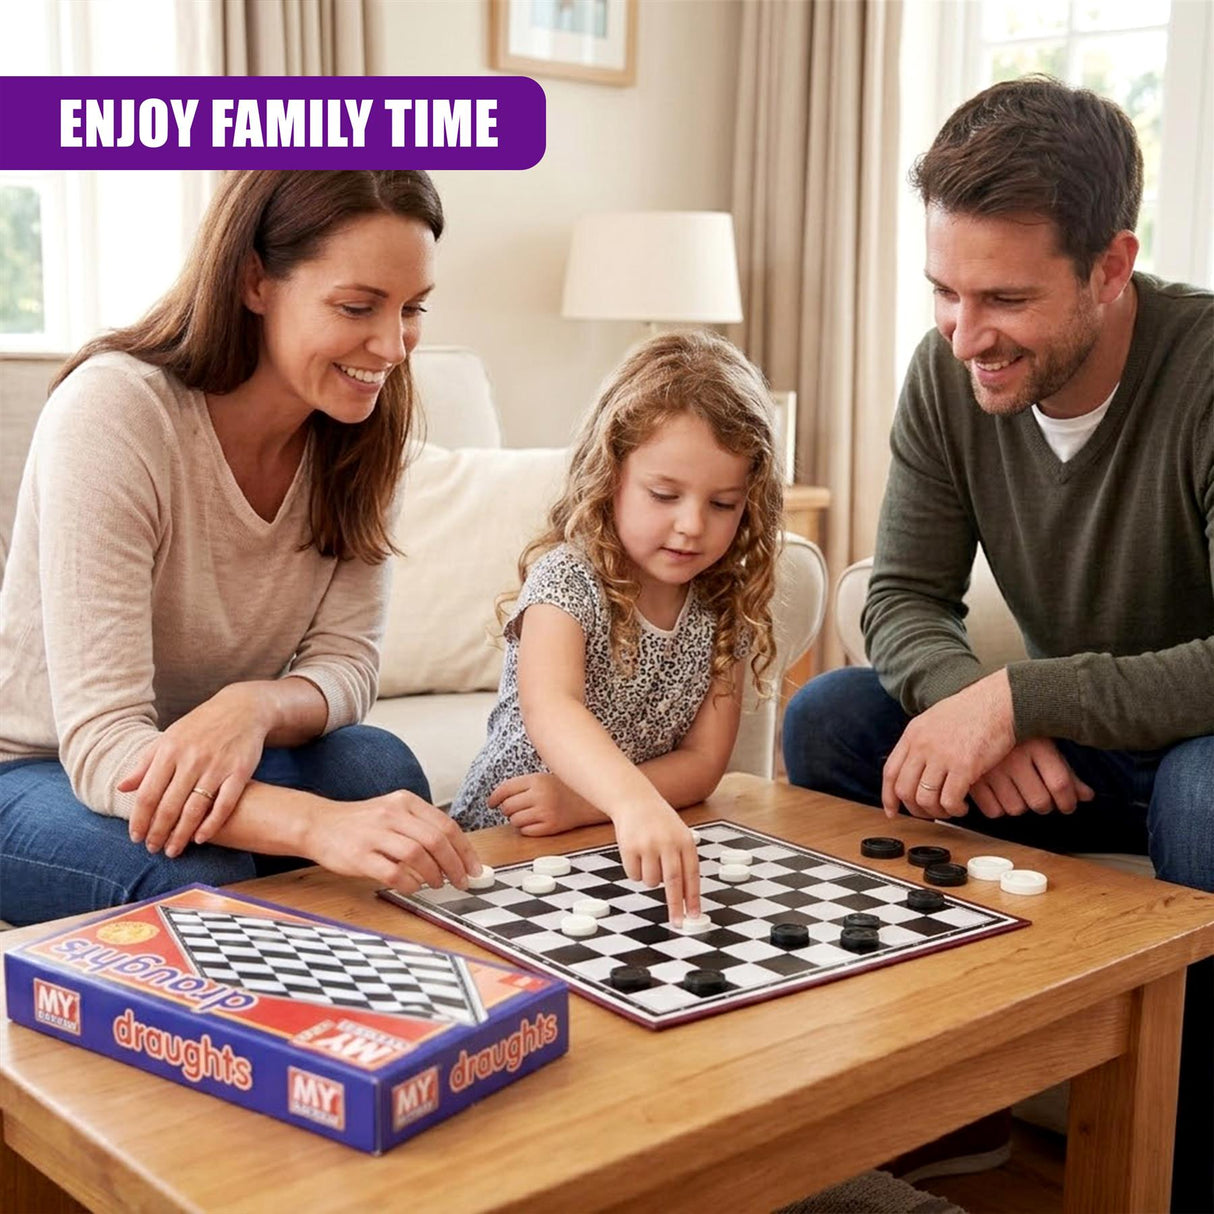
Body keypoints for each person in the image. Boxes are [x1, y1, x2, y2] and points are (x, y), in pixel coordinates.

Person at [782, 77, 1212, 1211]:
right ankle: (941, 1103)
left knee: (1207, 794)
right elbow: (901, 595)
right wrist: (970, 702)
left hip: (1196, 749)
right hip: (1073, 755)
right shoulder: (947, 373)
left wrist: (1017, 700)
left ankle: (1178, 1163)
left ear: (1110, 267)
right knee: (829, 722)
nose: (965, 335)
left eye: (1005, 299)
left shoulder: (1206, 373)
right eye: (944, 291)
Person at [0, 170, 483, 928]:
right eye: (357, 307)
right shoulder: (116, 411)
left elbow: (348, 663)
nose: (393, 346)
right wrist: (314, 826)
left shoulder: (364, 429)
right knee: (200, 876)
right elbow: (101, 745)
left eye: (412, 308)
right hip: (40, 769)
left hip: (219, 758)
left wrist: (253, 707)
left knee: (379, 767)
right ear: (255, 281)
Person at [450, 331, 784, 925]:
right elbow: (552, 708)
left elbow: (704, 763)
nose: (692, 525)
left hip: (613, 834)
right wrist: (627, 802)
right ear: (611, 477)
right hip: (509, 842)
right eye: (665, 494)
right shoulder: (567, 578)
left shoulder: (723, 604)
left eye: (723, 504)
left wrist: (588, 803)